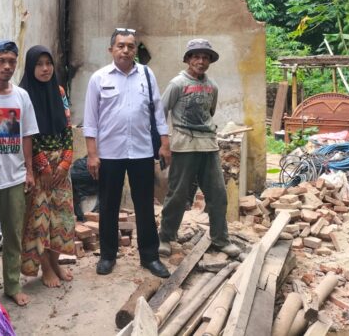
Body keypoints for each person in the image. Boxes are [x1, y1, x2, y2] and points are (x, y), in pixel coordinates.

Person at [83, 28, 171, 278]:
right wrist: (92, 154)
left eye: (130, 46)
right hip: (110, 153)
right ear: (111, 50)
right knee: (108, 205)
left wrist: (164, 143)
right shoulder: (99, 78)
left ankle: (150, 257)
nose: (125, 50)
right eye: (120, 45)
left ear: (135, 50)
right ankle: (108, 256)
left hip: (142, 151)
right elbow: (90, 120)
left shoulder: (146, 74)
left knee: (144, 205)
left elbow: (157, 112)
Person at [158, 39, 240, 258]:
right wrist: (163, 144)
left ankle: (220, 239)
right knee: (178, 194)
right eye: (196, 56)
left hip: (208, 146)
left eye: (205, 57)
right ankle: (166, 236)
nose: (201, 61)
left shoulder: (211, 86)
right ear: (188, 59)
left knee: (217, 193)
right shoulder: (177, 84)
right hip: (183, 146)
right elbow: (160, 112)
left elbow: (209, 113)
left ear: (210, 61)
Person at [0, 40, 37, 306]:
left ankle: (12, 285)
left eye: (12, 61)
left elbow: (27, 134)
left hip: (15, 177)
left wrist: (29, 170)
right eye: (1, 60)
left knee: (14, 234)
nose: (7, 66)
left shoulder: (21, 96)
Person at [19, 45, 76, 288]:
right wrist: (43, 166)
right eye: (39, 64)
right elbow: (28, 134)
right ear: (31, 68)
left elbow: (67, 128)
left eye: (48, 63)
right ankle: (45, 269)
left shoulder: (59, 91)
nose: (45, 69)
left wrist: (64, 162)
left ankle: (56, 264)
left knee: (62, 220)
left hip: (61, 168)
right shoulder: (23, 94)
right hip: (38, 166)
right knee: (39, 221)